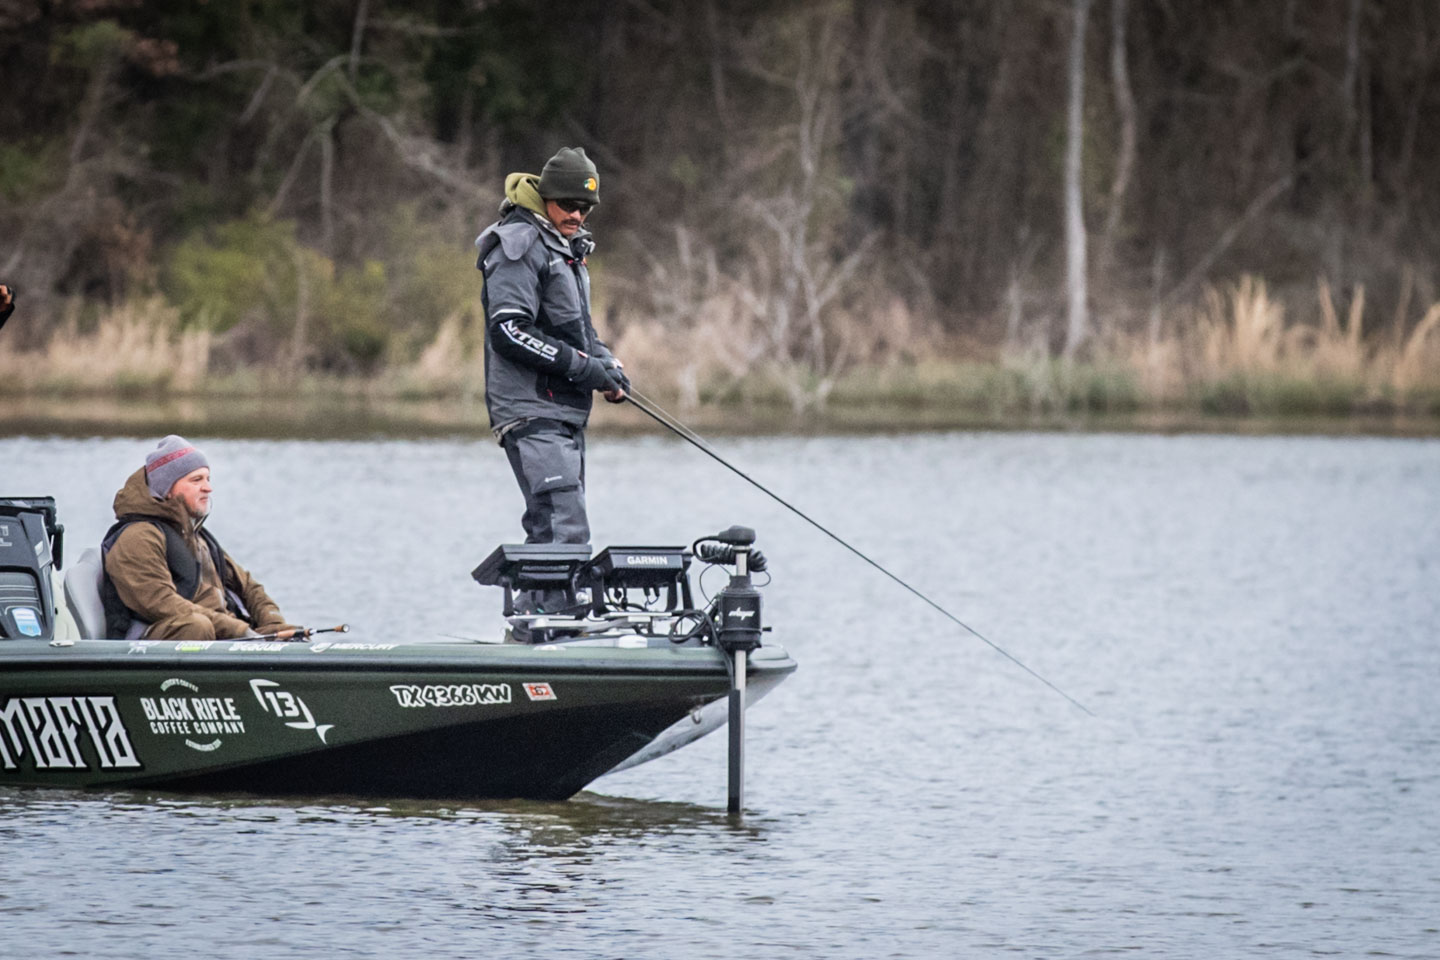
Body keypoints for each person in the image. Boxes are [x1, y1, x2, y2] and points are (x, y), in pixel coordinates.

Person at [474, 147, 628, 623]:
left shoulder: (565, 249)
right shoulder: (518, 243)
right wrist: (583, 368)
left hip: (561, 413)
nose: (577, 215)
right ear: (545, 198)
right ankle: (556, 631)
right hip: (530, 409)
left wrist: (607, 366)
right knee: (566, 528)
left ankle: (533, 627)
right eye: (567, 204)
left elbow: (576, 333)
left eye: (586, 208)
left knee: (551, 530)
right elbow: (509, 330)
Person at [100, 435, 299, 641]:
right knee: (197, 626)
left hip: (218, 631)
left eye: (208, 479)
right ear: (167, 489)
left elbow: (248, 587)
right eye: (196, 480)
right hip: (158, 641)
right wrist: (237, 630)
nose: (208, 488)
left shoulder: (196, 536)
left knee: (292, 635)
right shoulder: (138, 538)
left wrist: (274, 625)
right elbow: (160, 604)